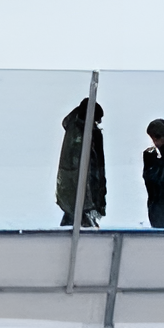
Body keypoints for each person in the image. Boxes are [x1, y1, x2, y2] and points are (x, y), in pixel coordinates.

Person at [56, 98, 105, 229]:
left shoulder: (79, 130)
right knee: (79, 224)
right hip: (77, 190)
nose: (97, 124)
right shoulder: (79, 134)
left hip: (75, 191)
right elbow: (81, 170)